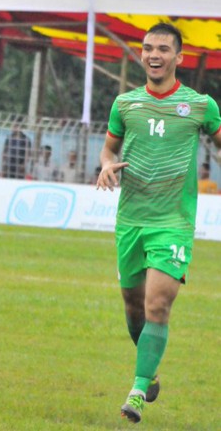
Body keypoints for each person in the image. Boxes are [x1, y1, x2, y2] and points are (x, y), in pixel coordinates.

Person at [96, 23, 221, 424]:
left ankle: (136, 389)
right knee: (134, 308)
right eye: (148, 48)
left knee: (158, 304)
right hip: (131, 219)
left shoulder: (200, 105)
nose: (154, 55)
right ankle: (150, 370)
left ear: (178, 57)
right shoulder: (125, 104)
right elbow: (109, 147)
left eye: (163, 49)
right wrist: (105, 166)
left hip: (174, 222)